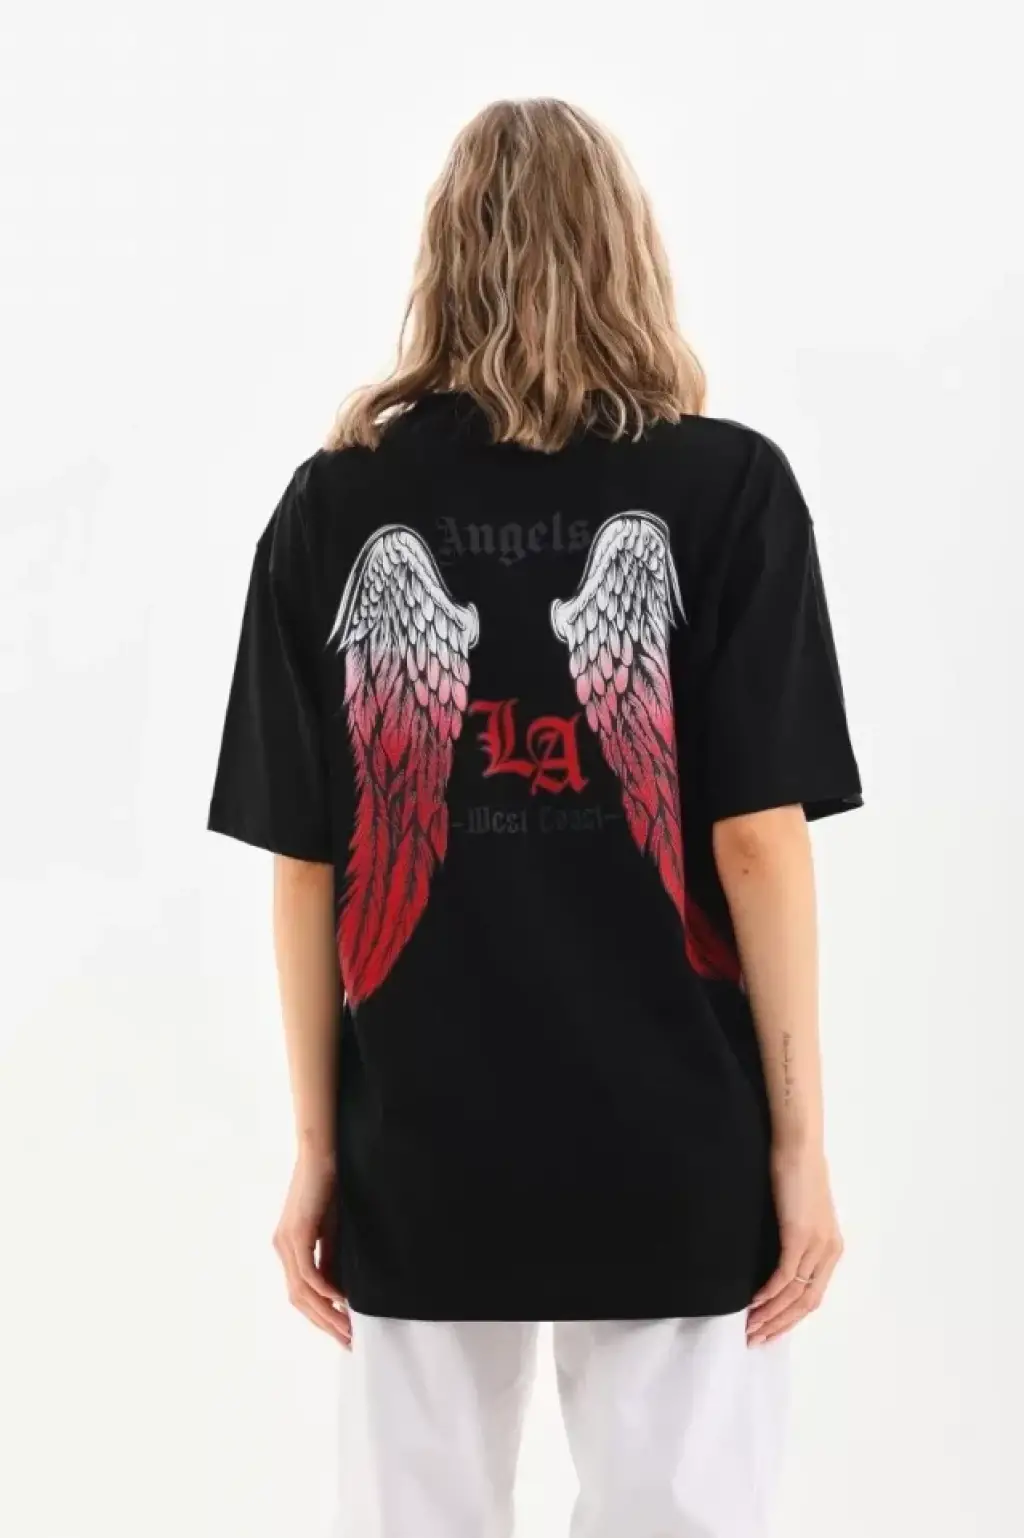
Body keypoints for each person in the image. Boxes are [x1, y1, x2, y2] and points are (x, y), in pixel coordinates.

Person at [208, 98, 862, 1538]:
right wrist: (800, 1145)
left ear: (443, 259)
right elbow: (757, 841)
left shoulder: (336, 508)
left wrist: (319, 1145)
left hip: (423, 1140)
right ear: (629, 252)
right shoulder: (729, 490)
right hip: (673, 1139)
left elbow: (311, 864)